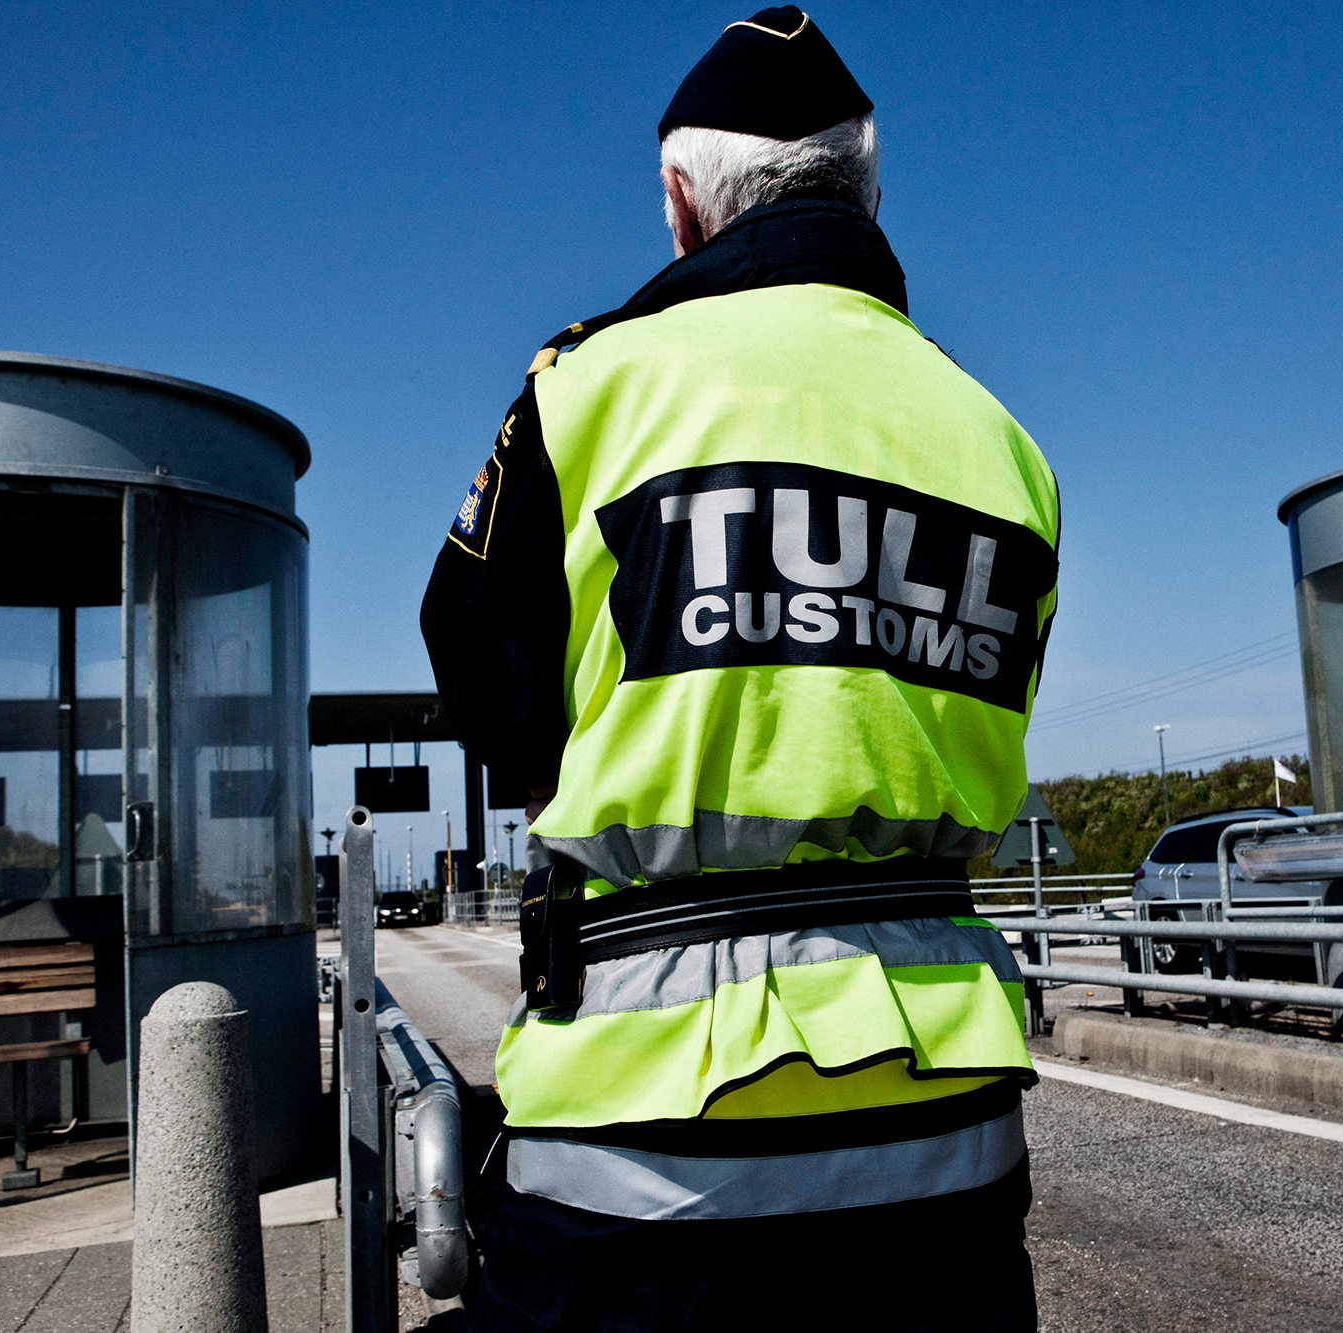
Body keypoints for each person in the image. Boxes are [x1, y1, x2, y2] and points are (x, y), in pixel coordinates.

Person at [422, 9, 1059, 1329]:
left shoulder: (587, 390)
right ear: (870, 192)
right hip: (951, 1152)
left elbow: (483, 680)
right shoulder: (1002, 443)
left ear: (679, 202)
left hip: (644, 1165)